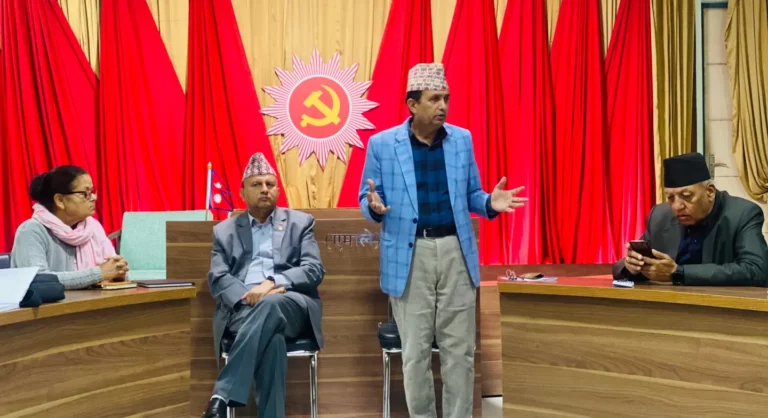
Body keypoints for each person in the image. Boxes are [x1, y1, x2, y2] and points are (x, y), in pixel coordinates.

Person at [358, 63, 527, 418]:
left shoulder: (461, 140)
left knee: (460, 351)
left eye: (446, 98)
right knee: (415, 353)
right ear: (412, 104)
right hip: (410, 254)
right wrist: (373, 207)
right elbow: (367, 197)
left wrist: (489, 203)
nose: (443, 106)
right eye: (434, 99)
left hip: (455, 251)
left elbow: (472, 194)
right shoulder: (382, 144)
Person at [203, 152, 324, 418]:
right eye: (256, 184)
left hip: (290, 304)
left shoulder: (300, 223)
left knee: (270, 304)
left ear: (278, 190)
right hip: (243, 308)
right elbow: (218, 278)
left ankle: (222, 395)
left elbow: (314, 269)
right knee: (273, 340)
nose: (265, 189)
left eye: (270, 184)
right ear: (242, 192)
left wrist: (271, 283)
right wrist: (248, 296)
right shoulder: (224, 231)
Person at [613, 152, 768, 286]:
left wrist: (678, 273)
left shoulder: (742, 214)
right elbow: (619, 268)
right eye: (670, 198)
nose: (677, 206)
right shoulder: (660, 216)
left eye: (686, 196)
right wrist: (632, 266)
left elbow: (757, 270)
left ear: (710, 192)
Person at [11, 165, 128, 289]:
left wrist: (118, 272)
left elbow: (109, 268)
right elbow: (38, 279)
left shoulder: (92, 227)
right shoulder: (31, 231)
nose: (94, 198)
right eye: (85, 193)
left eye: (92, 191)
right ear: (60, 200)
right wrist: (98, 274)